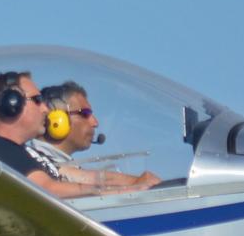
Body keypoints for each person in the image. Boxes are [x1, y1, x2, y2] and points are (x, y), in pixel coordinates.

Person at [0, 71, 95, 199]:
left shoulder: (23, 153)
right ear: (12, 103)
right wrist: (102, 191)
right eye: (37, 100)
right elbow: (48, 189)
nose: (45, 109)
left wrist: (108, 182)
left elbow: (82, 177)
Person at [29, 81, 160, 193]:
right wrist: (135, 183)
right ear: (56, 119)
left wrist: (138, 182)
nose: (95, 123)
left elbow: (86, 177)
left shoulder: (68, 167)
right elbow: (69, 175)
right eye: (85, 114)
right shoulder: (29, 159)